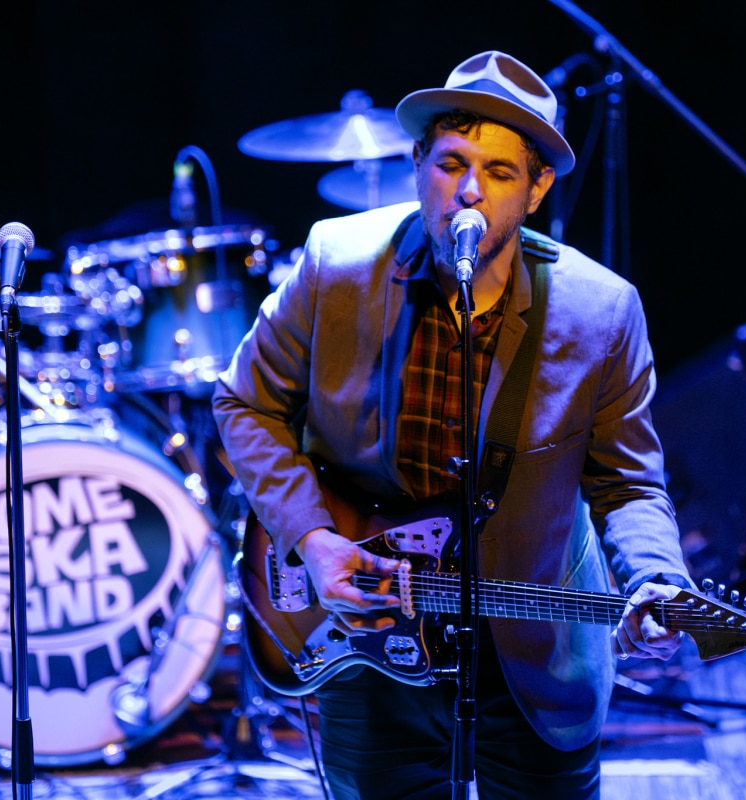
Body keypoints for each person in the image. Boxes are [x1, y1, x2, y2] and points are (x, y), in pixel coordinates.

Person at [213, 50, 694, 800]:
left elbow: (628, 483)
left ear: (537, 189)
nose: (469, 191)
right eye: (450, 164)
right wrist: (313, 539)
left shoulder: (600, 312)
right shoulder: (335, 264)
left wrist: (655, 580)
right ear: (417, 165)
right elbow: (243, 404)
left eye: (499, 172)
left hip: (533, 650)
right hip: (368, 640)